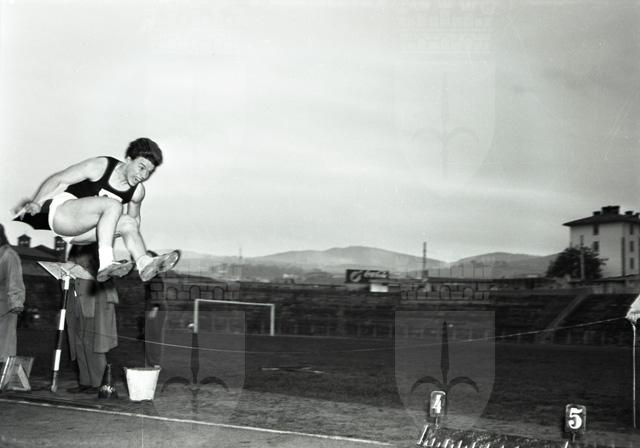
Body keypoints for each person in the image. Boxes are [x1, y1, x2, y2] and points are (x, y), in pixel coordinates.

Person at [13, 137, 179, 282]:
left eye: (149, 172)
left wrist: (133, 247)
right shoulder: (100, 166)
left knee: (128, 222)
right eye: (141, 167)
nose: (143, 176)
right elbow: (59, 178)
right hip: (63, 216)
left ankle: (144, 264)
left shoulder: (138, 192)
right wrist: (37, 202)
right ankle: (106, 263)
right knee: (113, 205)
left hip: (81, 236)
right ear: (128, 159)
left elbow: (133, 222)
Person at [65, 243, 119, 393]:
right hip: (77, 302)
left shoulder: (99, 251)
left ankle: (99, 383)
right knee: (79, 343)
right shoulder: (75, 249)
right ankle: (86, 381)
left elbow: (105, 276)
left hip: (96, 302)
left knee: (93, 343)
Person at [0, 223, 26, 364]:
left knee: (4, 349)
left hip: (5, 310)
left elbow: (14, 281)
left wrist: (16, 304)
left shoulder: (9, 256)